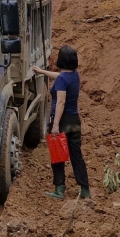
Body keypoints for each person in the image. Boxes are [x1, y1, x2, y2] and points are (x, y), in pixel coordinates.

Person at [35, 46, 89, 200]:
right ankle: (85, 189)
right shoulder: (74, 76)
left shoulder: (61, 80)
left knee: (57, 155)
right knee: (76, 156)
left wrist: (56, 125)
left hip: (61, 121)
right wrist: (42, 72)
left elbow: (60, 102)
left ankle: (59, 189)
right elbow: (59, 77)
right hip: (74, 121)